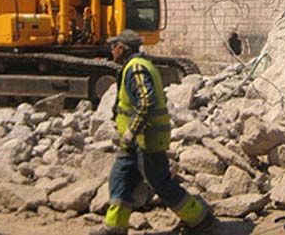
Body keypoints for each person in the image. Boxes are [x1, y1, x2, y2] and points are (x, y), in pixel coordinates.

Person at [91, 30, 212, 235]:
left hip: (145, 138)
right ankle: (114, 228)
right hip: (134, 141)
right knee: (119, 178)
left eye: (114, 46)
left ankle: (199, 218)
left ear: (122, 48)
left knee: (160, 182)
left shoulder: (136, 69)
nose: (111, 51)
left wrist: (131, 131)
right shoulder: (137, 66)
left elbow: (146, 102)